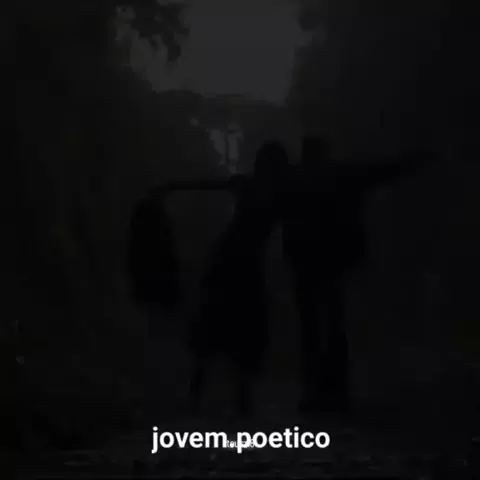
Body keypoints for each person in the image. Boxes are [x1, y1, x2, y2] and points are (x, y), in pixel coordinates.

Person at [282, 135, 432, 414]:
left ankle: (318, 391)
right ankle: (334, 392)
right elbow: (381, 172)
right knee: (329, 327)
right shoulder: (337, 175)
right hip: (327, 261)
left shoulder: (295, 178)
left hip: (308, 263)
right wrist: (416, 160)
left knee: (314, 328)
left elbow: (380, 172)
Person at [165, 142, 289, 416]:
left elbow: (210, 185)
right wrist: (178, 186)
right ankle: (229, 392)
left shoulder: (262, 188)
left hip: (233, 258)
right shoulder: (278, 193)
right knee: (237, 323)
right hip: (237, 261)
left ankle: (212, 390)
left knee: (225, 321)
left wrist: (176, 186)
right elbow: (210, 185)